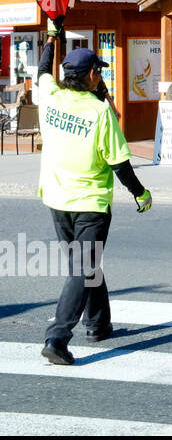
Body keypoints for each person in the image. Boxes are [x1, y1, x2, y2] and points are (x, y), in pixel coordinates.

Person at [36, 30, 152, 366]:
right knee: (83, 268)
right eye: (98, 71)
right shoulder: (101, 112)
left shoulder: (50, 96)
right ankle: (57, 337)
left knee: (85, 265)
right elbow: (119, 163)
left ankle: (98, 324)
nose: (100, 75)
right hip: (90, 204)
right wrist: (140, 193)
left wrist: (52, 38)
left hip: (57, 201)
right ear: (91, 75)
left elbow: (43, 71)